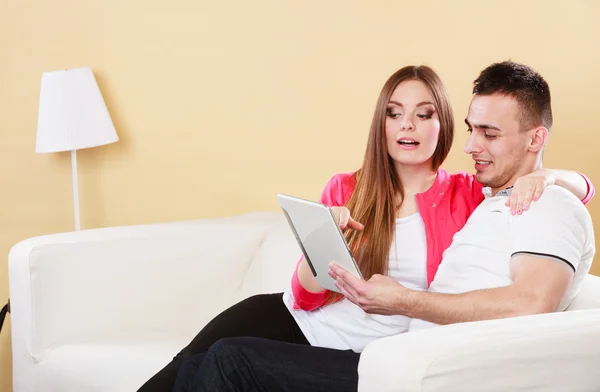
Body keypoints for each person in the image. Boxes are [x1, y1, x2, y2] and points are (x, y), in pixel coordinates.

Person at [138, 63, 593, 392]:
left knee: (223, 363)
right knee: (185, 370)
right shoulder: (351, 188)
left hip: (375, 353)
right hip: (302, 322)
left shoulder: (473, 194)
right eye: (394, 114)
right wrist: (327, 247)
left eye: (424, 113)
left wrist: (554, 177)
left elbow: (562, 204)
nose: (407, 126)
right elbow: (304, 296)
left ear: (442, 124)